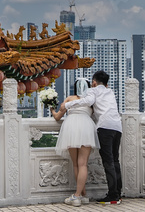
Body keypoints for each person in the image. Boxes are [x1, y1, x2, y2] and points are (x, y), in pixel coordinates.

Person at [64, 70, 123, 204]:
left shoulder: (93, 90)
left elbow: (87, 101)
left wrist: (67, 104)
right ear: (106, 84)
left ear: (94, 83)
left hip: (105, 127)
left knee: (108, 162)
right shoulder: (110, 92)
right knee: (115, 161)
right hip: (117, 127)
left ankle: (112, 196)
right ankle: (118, 193)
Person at [52, 78, 99, 207]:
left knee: (76, 165)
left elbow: (57, 117)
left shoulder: (69, 99)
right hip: (86, 127)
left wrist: (51, 109)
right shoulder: (91, 101)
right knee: (83, 164)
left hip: (71, 127)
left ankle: (77, 196)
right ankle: (81, 195)